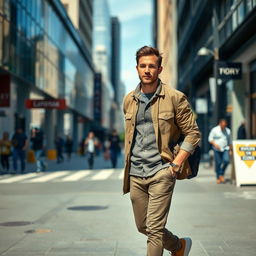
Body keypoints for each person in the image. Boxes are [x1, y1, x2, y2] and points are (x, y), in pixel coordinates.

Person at [122, 46, 201, 256]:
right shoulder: (129, 99)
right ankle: (178, 246)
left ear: (159, 69)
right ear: (137, 68)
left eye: (151, 66)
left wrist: (176, 164)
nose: (147, 70)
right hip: (136, 174)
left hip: (162, 170)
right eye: (143, 66)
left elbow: (193, 133)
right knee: (143, 226)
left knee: (154, 231)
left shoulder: (175, 97)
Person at [208, 119, 232, 184]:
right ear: (220, 124)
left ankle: (221, 173)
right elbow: (210, 139)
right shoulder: (214, 130)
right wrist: (215, 145)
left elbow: (230, 141)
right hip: (217, 149)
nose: (223, 127)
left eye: (225, 126)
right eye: (222, 125)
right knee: (218, 163)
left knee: (226, 161)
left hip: (225, 149)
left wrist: (230, 150)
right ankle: (218, 177)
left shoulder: (228, 131)